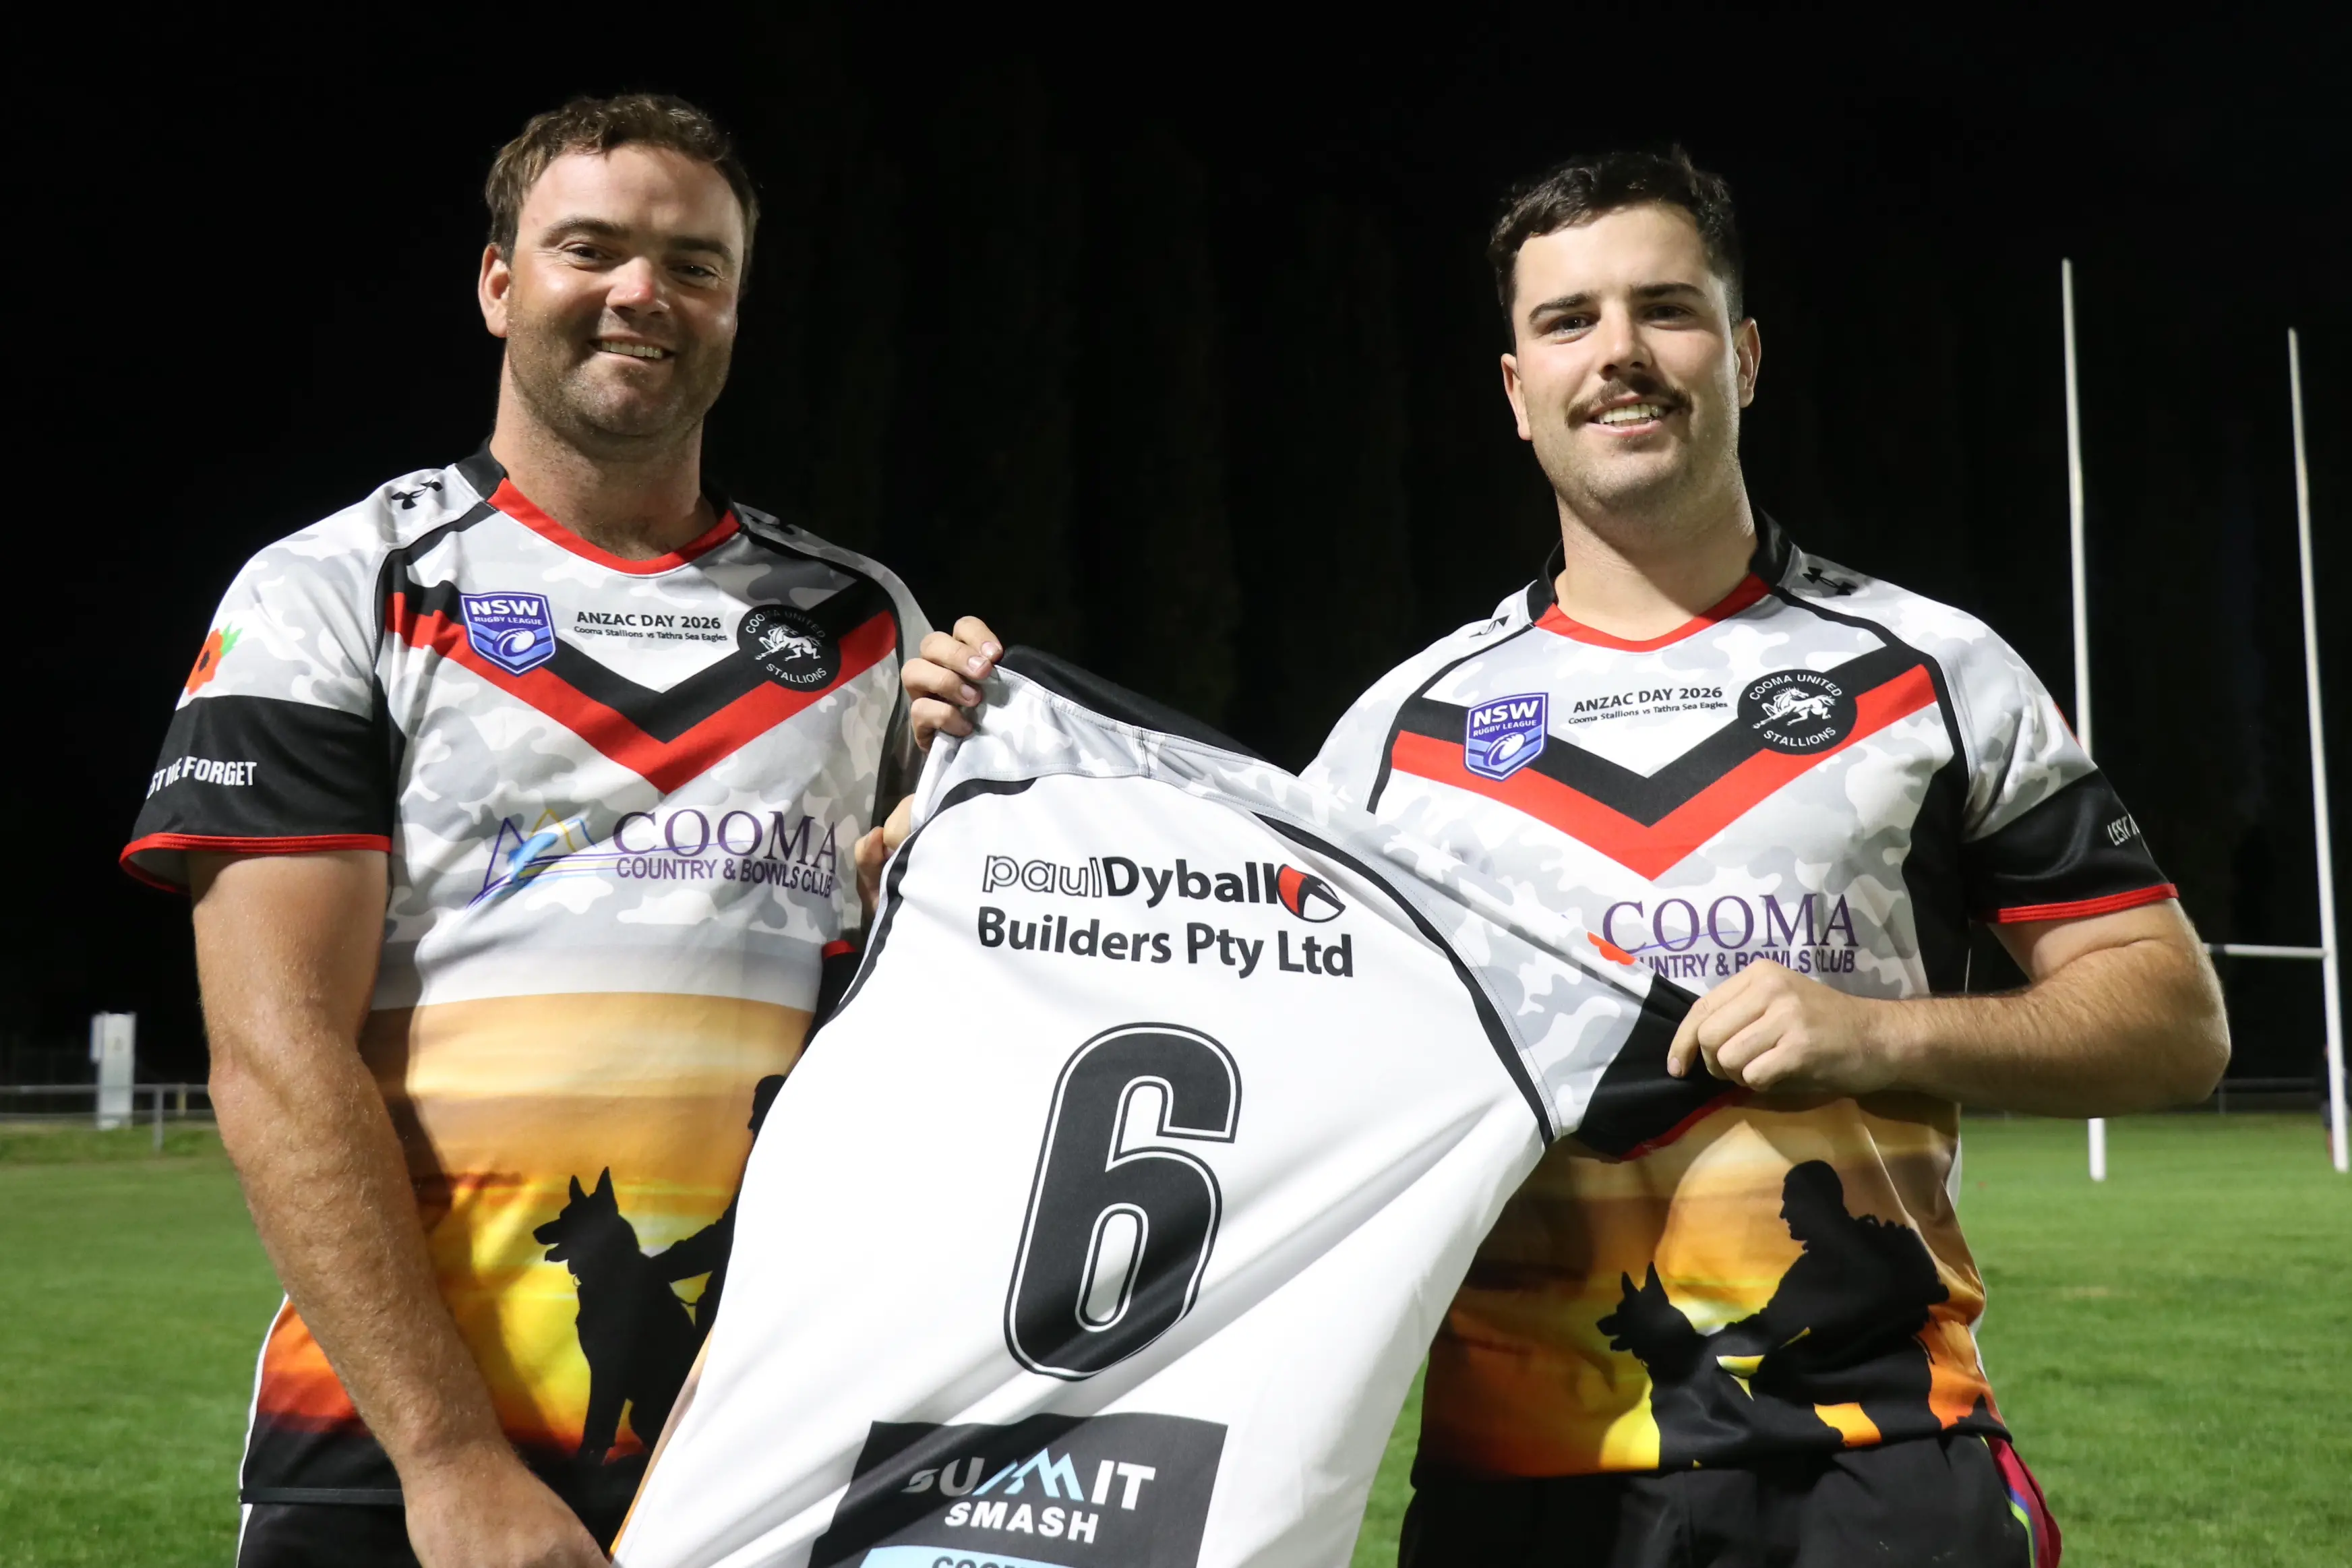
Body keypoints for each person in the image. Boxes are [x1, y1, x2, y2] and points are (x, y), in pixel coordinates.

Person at [894, 148, 2230, 1565]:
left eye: (1666, 308)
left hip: (1878, 1461)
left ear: (1745, 352)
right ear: (1517, 389)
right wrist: (975, 866)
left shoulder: (1931, 669)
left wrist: (1876, 1028)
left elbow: (2172, 1024)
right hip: (1517, 1482)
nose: (1620, 355)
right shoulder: (1397, 736)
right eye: (1568, 321)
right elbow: (1229, 1023)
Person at [124, 94, 930, 1568]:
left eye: (694, 263)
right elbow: (274, 1054)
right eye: (591, 248)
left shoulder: (863, 623)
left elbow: (925, 1020)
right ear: (500, 283)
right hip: (392, 1464)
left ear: (736, 307)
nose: (644, 291)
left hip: (769, 1459)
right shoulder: (335, 588)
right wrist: (449, 1462)